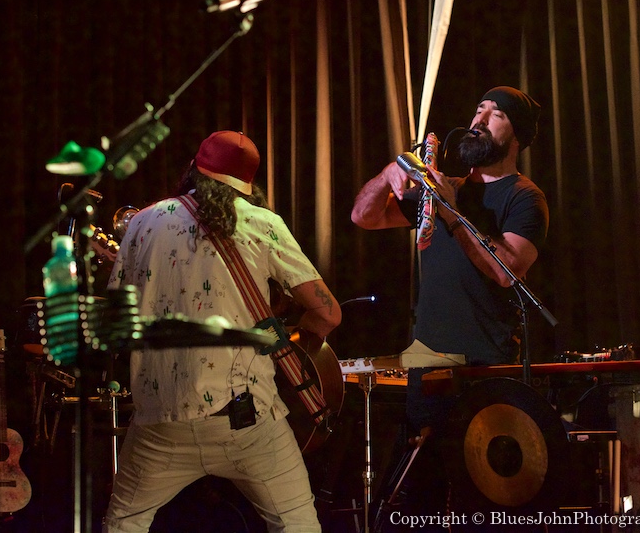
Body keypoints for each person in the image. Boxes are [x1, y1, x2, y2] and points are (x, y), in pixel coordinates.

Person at [103, 130, 341, 533]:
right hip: (246, 421)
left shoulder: (143, 222)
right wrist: (295, 343)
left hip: (161, 422)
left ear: (194, 169)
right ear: (247, 185)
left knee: (124, 523)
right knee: (298, 524)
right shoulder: (263, 224)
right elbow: (328, 313)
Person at [351, 86, 548, 519]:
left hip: (487, 358)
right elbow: (363, 216)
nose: (478, 120)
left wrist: (451, 212)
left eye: (495, 114)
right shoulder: (441, 188)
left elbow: (506, 270)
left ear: (516, 136)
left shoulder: (524, 197)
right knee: (424, 483)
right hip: (430, 353)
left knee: (482, 486)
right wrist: (389, 173)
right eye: (478, 109)